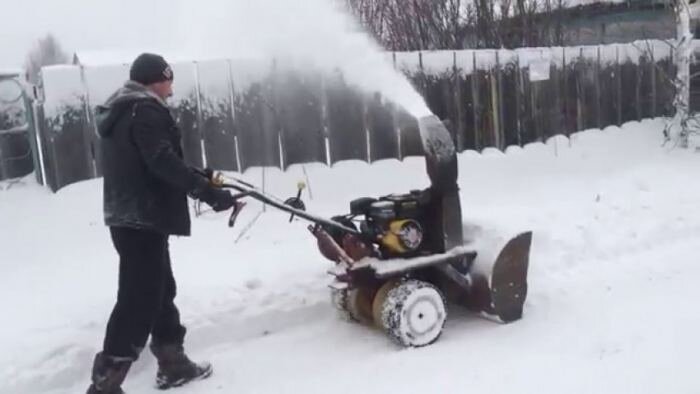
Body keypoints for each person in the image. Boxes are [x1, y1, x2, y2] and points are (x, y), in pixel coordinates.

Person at [86, 53, 239, 393]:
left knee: (159, 290)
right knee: (139, 299)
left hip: (130, 217)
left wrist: (202, 177)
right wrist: (206, 191)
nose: (171, 88)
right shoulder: (145, 109)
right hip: (143, 217)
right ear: (158, 78)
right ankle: (104, 386)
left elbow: (149, 159)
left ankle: (173, 364)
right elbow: (161, 161)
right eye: (169, 80)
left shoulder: (123, 109)